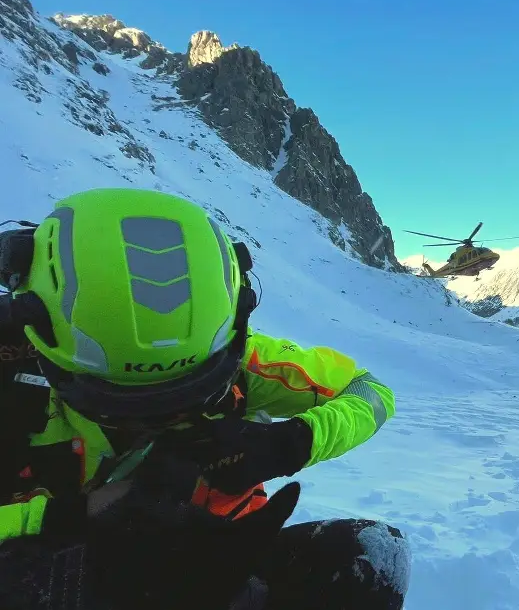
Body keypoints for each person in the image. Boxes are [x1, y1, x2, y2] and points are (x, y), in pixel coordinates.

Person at [0, 188, 409, 610]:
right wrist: (73, 518)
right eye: (115, 401)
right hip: (54, 575)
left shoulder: (238, 356)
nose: (149, 421)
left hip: (218, 566)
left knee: (369, 557)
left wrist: (292, 442)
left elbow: (369, 391)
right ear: (40, 341)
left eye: (186, 395)